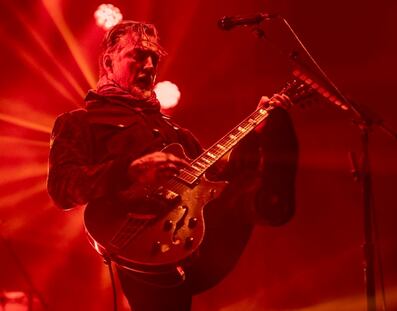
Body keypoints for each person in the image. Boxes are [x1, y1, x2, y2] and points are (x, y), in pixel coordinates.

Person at [47, 20, 298, 311]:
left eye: (155, 58)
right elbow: (62, 187)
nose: (150, 66)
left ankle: (272, 201)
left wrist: (255, 132)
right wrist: (130, 170)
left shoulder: (175, 133)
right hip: (129, 244)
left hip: (181, 238)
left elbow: (219, 178)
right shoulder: (79, 122)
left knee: (248, 187)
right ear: (108, 61)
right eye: (139, 55)